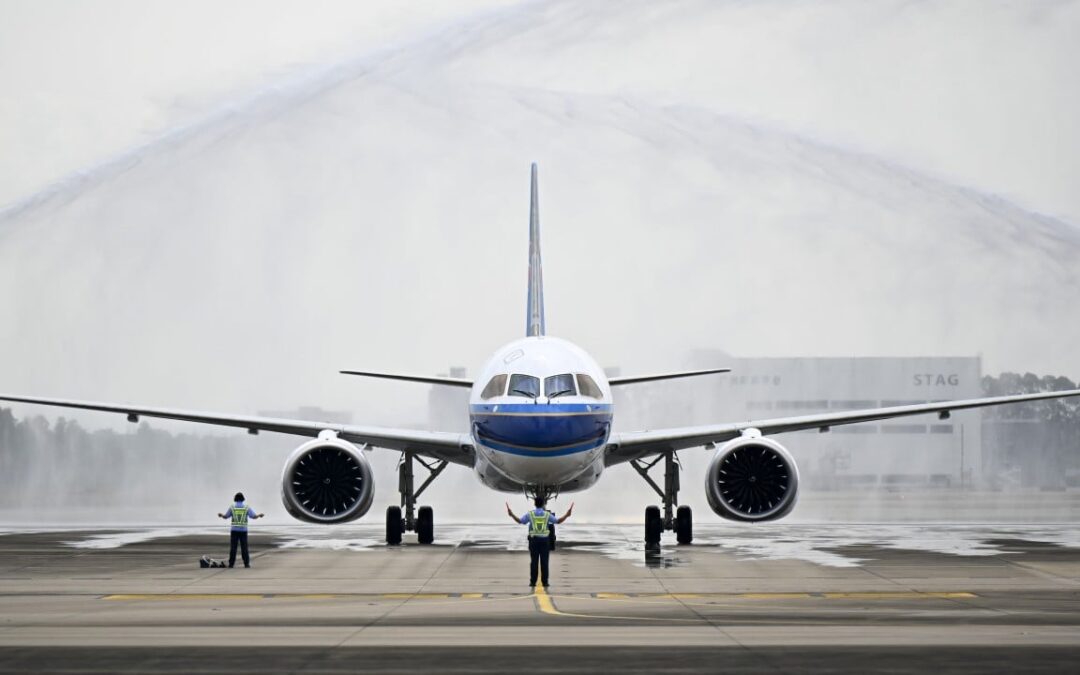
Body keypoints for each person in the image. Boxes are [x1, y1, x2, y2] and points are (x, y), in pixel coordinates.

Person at [506, 496, 573, 589]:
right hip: (544, 542)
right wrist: (567, 515)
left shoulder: (530, 514)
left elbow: (520, 521)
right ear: (543, 504)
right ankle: (545, 582)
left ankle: (532, 582)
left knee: (534, 562)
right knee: (544, 562)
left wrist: (511, 514)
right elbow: (558, 521)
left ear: (534, 504)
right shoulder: (546, 515)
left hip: (533, 541)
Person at [217, 492, 264, 568]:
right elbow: (253, 516)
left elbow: (226, 516)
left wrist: (221, 515)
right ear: (243, 499)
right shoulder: (246, 507)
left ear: (235, 498)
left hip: (234, 531)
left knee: (233, 548)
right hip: (243, 531)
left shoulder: (232, 507)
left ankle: (231, 564)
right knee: (244, 548)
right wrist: (259, 515)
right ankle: (246, 564)